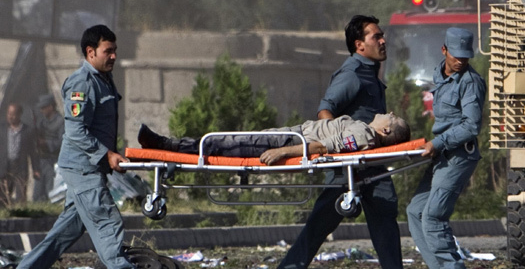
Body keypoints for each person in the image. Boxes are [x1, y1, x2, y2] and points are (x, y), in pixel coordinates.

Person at [271, 15, 431, 269]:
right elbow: (325, 111)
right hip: (349, 162)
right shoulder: (352, 74)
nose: (383, 41)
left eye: (383, 36)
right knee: (325, 218)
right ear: (359, 45)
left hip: (369, 162)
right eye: (376, 37)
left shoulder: (370, 72)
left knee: (383, 209)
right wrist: (335, 146)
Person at [12, 25, 153, 269]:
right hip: (82, 167)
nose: (113, 56)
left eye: (115, 51)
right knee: (106, 219)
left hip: (90, 165)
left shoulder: (104, 79)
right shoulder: (81, 83)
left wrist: (112, 155)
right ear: (90, 52)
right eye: (108, 51)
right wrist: (107, 155)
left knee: (69, 228)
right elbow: (76, 133)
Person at [406, 28, 486, 269]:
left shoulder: (471, 82)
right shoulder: (440, 75)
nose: (461, 61)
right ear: (444, 51)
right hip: (441, 154)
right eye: (456, 55)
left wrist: (437, 143)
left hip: (459, 156)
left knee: (434, 216)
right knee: (415, 210)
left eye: (466, 56)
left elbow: (471, 125)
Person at [137, 112, 411, 164]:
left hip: (286, 142)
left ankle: (165, 145)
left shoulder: (363, 134)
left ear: (385, 131)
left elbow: (323, 147)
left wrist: (283, 152)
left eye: (392, 117)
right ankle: (167, 144)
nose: (388, 113)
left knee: (221, 144)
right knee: (225, 142)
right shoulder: (363, 130)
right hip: (288, 136)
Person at [0, 103, 40, 206]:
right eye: (9, 114)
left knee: (21, 193)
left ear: (19, 115)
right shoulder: (2, 129)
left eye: (13, 114)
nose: (10, 117)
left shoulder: (27, 130)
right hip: (5, 165)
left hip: (20, 166)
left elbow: (33, 151)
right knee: (4, 194)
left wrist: (36, 169)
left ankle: (21, 213)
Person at [32, 94, 64, 202]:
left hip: (53, 161)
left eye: (44, 107)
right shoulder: (42, 122)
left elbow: (62, 142)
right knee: (37, 194)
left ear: (50, 106)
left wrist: (46, 143)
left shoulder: (60, 122)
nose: (42, 110)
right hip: (41, 160)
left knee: (51, 192)